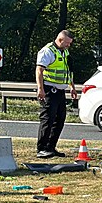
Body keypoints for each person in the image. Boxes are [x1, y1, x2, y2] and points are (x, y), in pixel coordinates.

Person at [35, 30, 77, 158]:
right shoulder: (48, 51)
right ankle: (41, 148)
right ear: (60, 40)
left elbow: (67, 71)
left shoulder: (64, 51)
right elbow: (39, 70)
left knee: (59, 120)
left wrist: (72, 87)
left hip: (60, 91)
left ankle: (51, 147)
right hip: (49, 89)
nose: (69, 45)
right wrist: (40, 89)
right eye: (67, 43)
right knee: (48, 119)